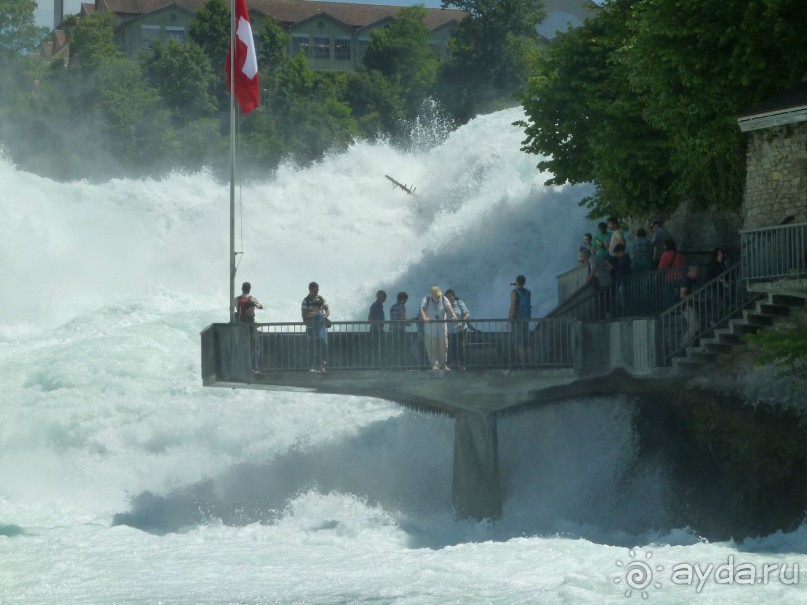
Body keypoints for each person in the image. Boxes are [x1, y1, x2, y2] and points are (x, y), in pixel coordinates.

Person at [419, 286, 457, 370]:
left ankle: (443, 365)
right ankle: (434, 365)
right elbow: (421, 308)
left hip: (442, 328)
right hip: (430, 329)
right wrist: (424, 317)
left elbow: (449, 307)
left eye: (439, 295)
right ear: (432, 294)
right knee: (431, 347)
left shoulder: (444, 299)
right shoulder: (426, 299)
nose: (438, 297)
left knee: (443, 346)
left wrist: (453, 315)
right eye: (436, 295)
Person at [233, 281, 263, 370]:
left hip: (241, 325)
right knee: (255, 345)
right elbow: (261, 307)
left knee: (242, 345)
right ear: (249, 289)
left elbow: (233, 307)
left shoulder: (236, 299)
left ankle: (242, 365)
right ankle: (255, 365)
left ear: (242, 289)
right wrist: (255, 304)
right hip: (251, 325)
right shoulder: (252, 298)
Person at [301, 282, 330, 370]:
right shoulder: (305, 301)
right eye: (315, 290)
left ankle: (323, 366)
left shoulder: (320, 298)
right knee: (311, 348)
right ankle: (312, 366)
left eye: (317, 290)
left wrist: (324, 316)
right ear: (310, 289)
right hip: (310, 328)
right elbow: (304, 315)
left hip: (321, 329)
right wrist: (315, 315)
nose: (316, 292)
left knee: (323, 347)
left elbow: (327, 309)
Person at [509, 275, 532, 365]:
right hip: (526, 319)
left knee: (520, 343)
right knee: (528, 343)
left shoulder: (514, 292)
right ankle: (531, 363)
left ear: (517, 282)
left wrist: (510, 319)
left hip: (517, 320)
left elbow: (513, 306)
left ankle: (523, 364)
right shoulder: (528, 292)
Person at [445, 289, 470, 370]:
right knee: (451, 347)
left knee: (460, 346)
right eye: (448, 296)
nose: (450, 298)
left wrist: (462, 322)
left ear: (454, 296)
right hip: (449, 330)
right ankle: (452, 364)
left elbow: (467, 314)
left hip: (461, 329)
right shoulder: (444, 305)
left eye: (451, 296)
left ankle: (461, 365)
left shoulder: (459, 303)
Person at [658, 239, 686, 309]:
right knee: (679, 295)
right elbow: (683, 265)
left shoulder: (665, 255)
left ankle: (670, 311)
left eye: (664, 246)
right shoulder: (679, 254)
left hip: (669, 278)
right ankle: (681, 309)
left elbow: (661, 267)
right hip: (680, 277)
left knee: (668, 296)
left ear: (666, 246)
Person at [679, 265, 701, 346]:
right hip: (686, 306)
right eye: (696, 272)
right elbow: (682, 295)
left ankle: (688, 345)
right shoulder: (685, 280)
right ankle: (683, 344)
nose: (697, 274)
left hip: (691, 305)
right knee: (695, 325)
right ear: (692, 271)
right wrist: (695, 299)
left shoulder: (692, 281)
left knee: (694, 325)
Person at [389, 292, 409, 366]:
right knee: (401, 349)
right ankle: (401, 365)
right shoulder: (402, 306)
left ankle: (393, 364)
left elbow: (393, 318)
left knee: (394, 348)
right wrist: (407, 323)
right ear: (403, 299)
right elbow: (403, 318)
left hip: (392, 331)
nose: (406, 302)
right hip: (400, 331)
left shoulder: (392, 306)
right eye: (406, 300)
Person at [367, 290, 387, 366]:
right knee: (376, 347)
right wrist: (378, 328)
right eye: (384, 296)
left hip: (379, 328)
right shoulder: (375, 305)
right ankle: (375, 365)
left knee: (380, 347)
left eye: (385, 296)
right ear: (379, 297)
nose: (385, 298)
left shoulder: (380, 306)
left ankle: (379, 364)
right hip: (375, 329)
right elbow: (370, 318)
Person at [308, 300, 328, 372]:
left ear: (318, 307)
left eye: (314, 306)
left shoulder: (318, 315)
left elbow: (313, 326)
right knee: (319, 352)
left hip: (318, 336)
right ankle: (320, 368)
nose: (312, 308)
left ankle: (319, 368)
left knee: (318, 352)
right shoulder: (320, 314)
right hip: (320, 336)